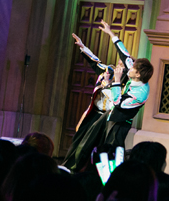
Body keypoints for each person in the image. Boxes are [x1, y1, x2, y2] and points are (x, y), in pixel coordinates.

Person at [62, 33, 116, 172]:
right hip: (93, 113)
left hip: (104, 118)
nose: (106, 74)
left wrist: (108, 85)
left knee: (92, 144)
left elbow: (115, 100)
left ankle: (87, 170)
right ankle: (68, 166)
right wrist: (83, 47)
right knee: (79, 137)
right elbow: (94, 61)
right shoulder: (104, 73)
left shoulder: (119, 85)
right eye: (106, 72)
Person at [101, 18, 153, 148]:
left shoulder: (140, 94)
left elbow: (118, 102)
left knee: (114, 148)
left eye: (132, 68)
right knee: (105, 146)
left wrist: (117, 81)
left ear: (138, 74)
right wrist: (110, 33)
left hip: (121, 122)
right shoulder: (135, 74)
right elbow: (124, 54)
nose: (129, 68)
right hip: (113, 116)